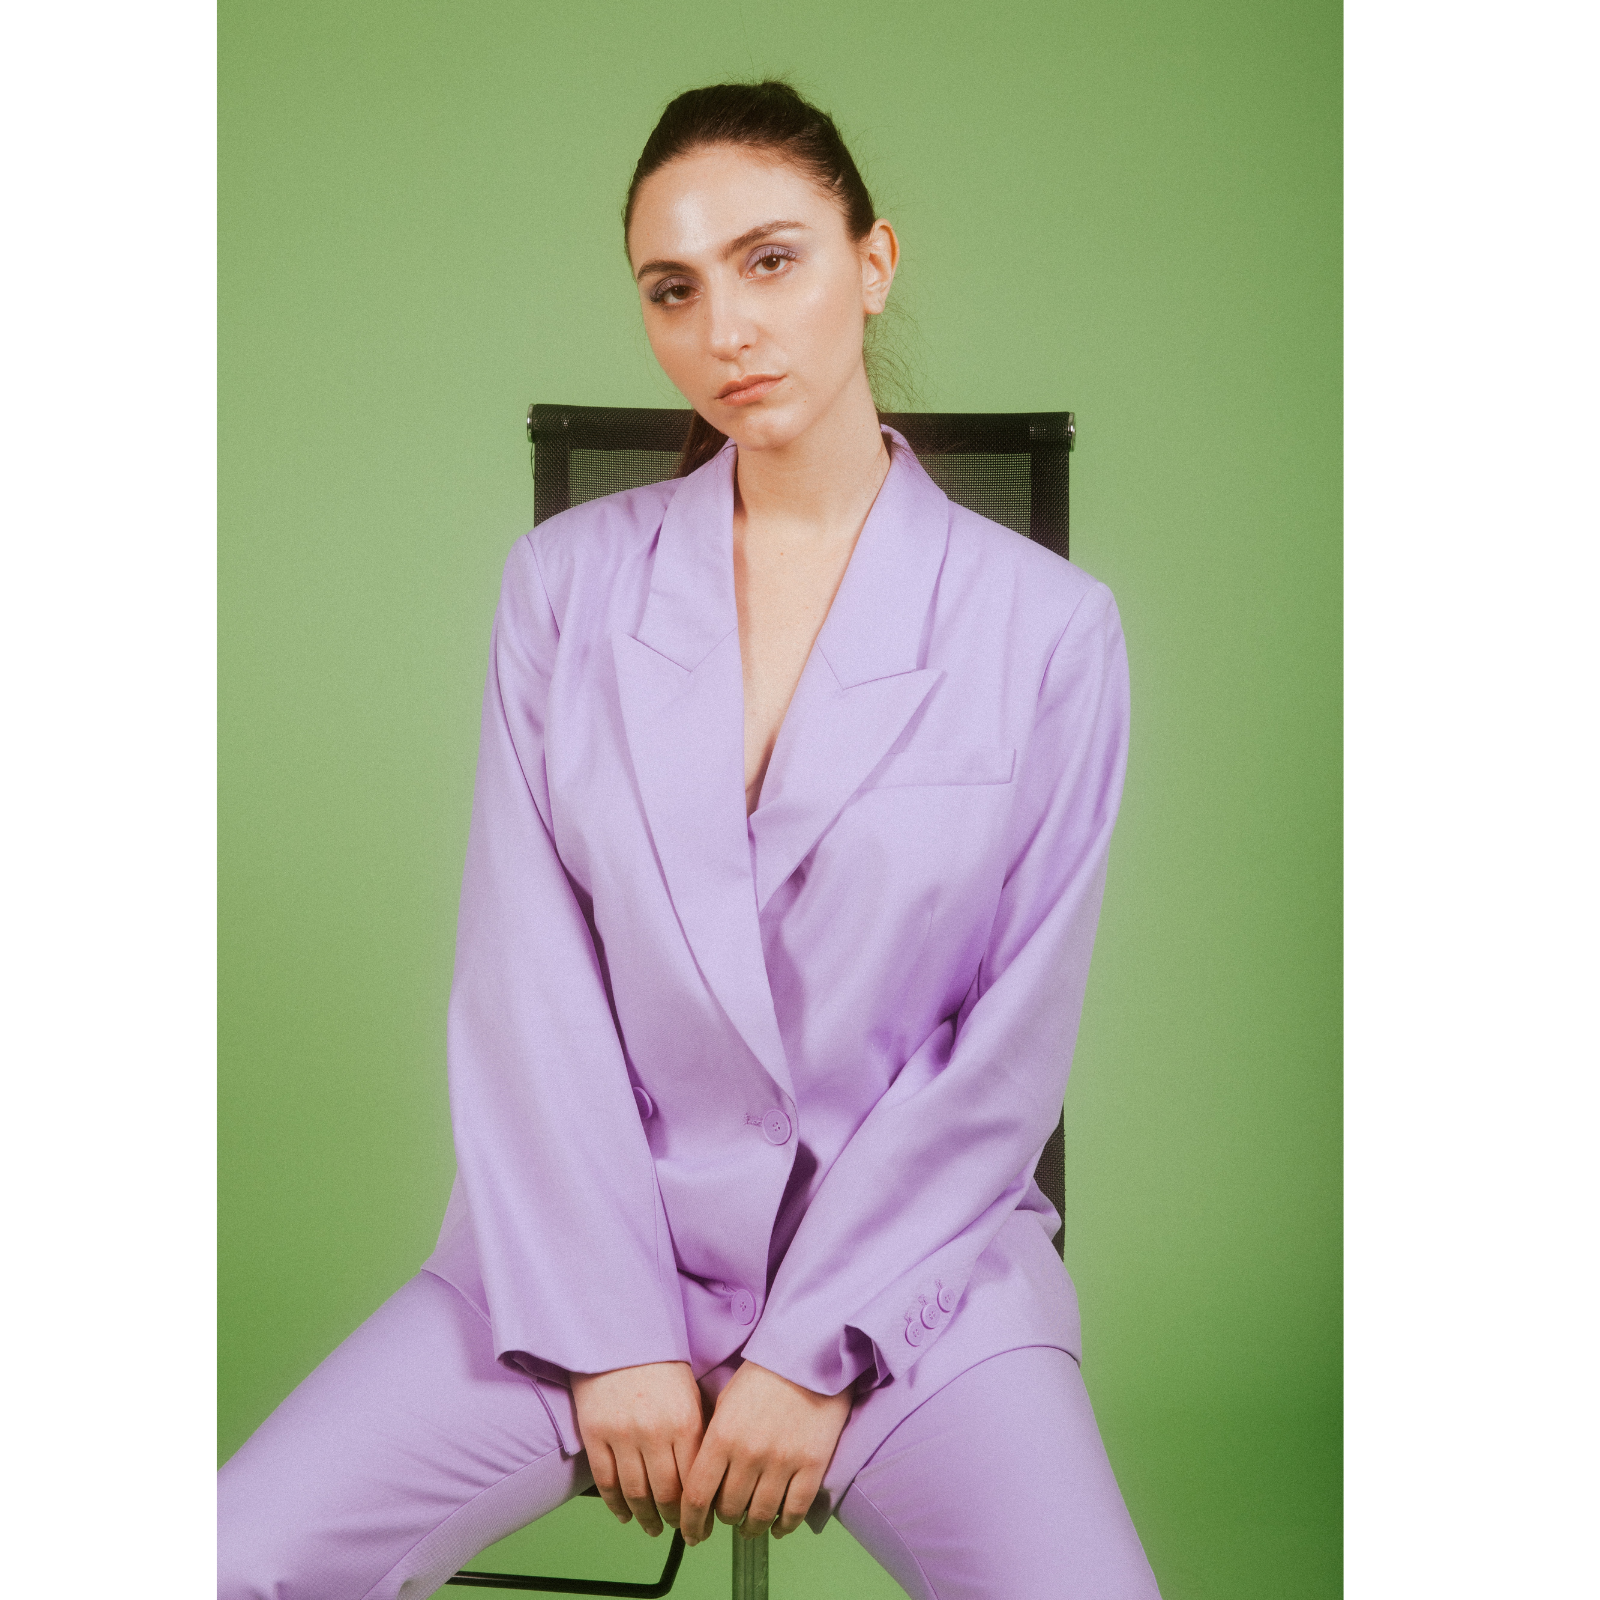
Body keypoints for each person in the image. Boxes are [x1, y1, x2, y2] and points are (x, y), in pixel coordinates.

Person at [217, 80, 1161, 1600]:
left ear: (875, 261)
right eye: (674, 287)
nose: (724, 325)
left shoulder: (1049, 631)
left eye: (771, 260)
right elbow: (530, 985)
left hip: (913, 1286)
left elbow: (1005, 1059)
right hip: (581, 1259)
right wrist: (612, 1330)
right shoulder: (563, 588)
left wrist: (812, 1348)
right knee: (238, 1553)